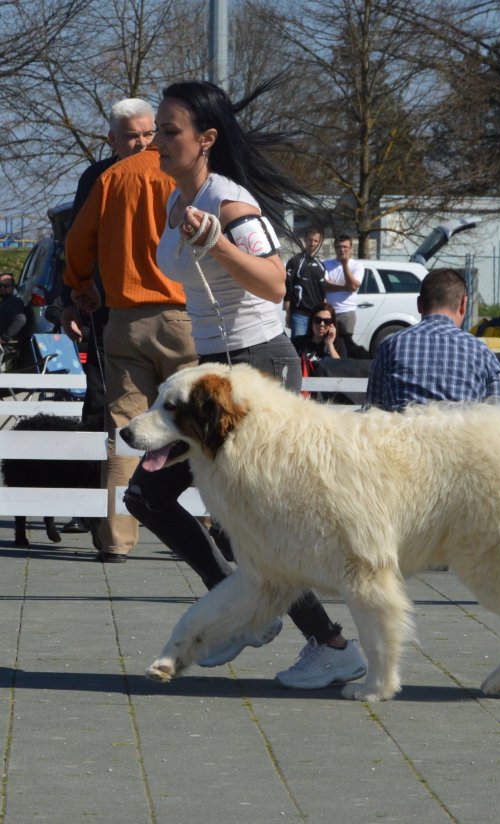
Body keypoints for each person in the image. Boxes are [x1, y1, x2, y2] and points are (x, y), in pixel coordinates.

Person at [123, 79, 366, 687]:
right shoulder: (182, 199)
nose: (157, 142)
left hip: (257, 368)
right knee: (159, 500)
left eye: (169, 132)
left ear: (205, 140)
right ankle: (260, 618)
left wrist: (221, 247)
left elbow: (275, 284)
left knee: (241, 522)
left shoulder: (232, 205)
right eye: (156, 131)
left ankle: (322, 641)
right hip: (220, 368)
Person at [64, 122, 198, 563]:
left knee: (122, 426)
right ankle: (204, 528)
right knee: (195, 421)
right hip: (185, 314)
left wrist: (79, 286)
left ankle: (116, 539)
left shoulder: (111, 176)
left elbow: (77, 242)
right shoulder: (185, 170)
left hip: (124, 318)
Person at [60, 98, 157, 534]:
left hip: (171, 311)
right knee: (101, 405)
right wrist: (72, 297)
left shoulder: (174, 172)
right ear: (112, 140)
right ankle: (92, 507)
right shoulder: (97, 177)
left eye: (148, 133)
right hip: (105, 310)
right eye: (132, 135)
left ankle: (188, 513)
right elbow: (76, 242)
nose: (141, 142)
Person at [364, 267, 500, 412]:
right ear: (463, 304)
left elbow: (371, 412)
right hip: (459, 434)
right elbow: (496, 423)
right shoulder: (483, 354)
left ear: (419, 304)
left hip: (404, 433)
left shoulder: (389, 346)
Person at [284, 227, 326, 338]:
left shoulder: (322, 265)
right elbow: (288, 288)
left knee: (314, 351)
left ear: (319, 242)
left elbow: (324, 293)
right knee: (299, 349)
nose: (312, 243)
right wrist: (288, 314)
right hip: (299, 315)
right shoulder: (295, 261)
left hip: (317, 316)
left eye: (316, 241)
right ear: (305, 240)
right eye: (310, 240)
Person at [323, 234, 363, 350]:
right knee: (328, 342)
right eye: (339, 247)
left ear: (351, 248)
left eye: (345, 247)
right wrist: (347, 287)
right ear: (335, 248)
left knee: (346, 344)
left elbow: (354, 285)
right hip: (329, 312)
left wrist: (345, 265)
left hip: (347, 312)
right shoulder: (326, 264)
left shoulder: (357, 266)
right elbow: (326, 285)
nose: (342, 250)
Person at [292, 302, 346, 367]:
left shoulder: (338, 343)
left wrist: (330, 345)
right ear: (311, 322)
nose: (322, 324)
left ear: (332, 324)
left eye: (327, 321)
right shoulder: (298, 342)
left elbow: (342, 368)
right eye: (317, 320)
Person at [0, 273, 26, 353]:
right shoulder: (5, 302)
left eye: (6, 286)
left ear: (13, 287)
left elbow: (21, 319)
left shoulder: (13, 301)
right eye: (0, 285)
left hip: (4, 346)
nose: (2, 288)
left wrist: (4, 337)